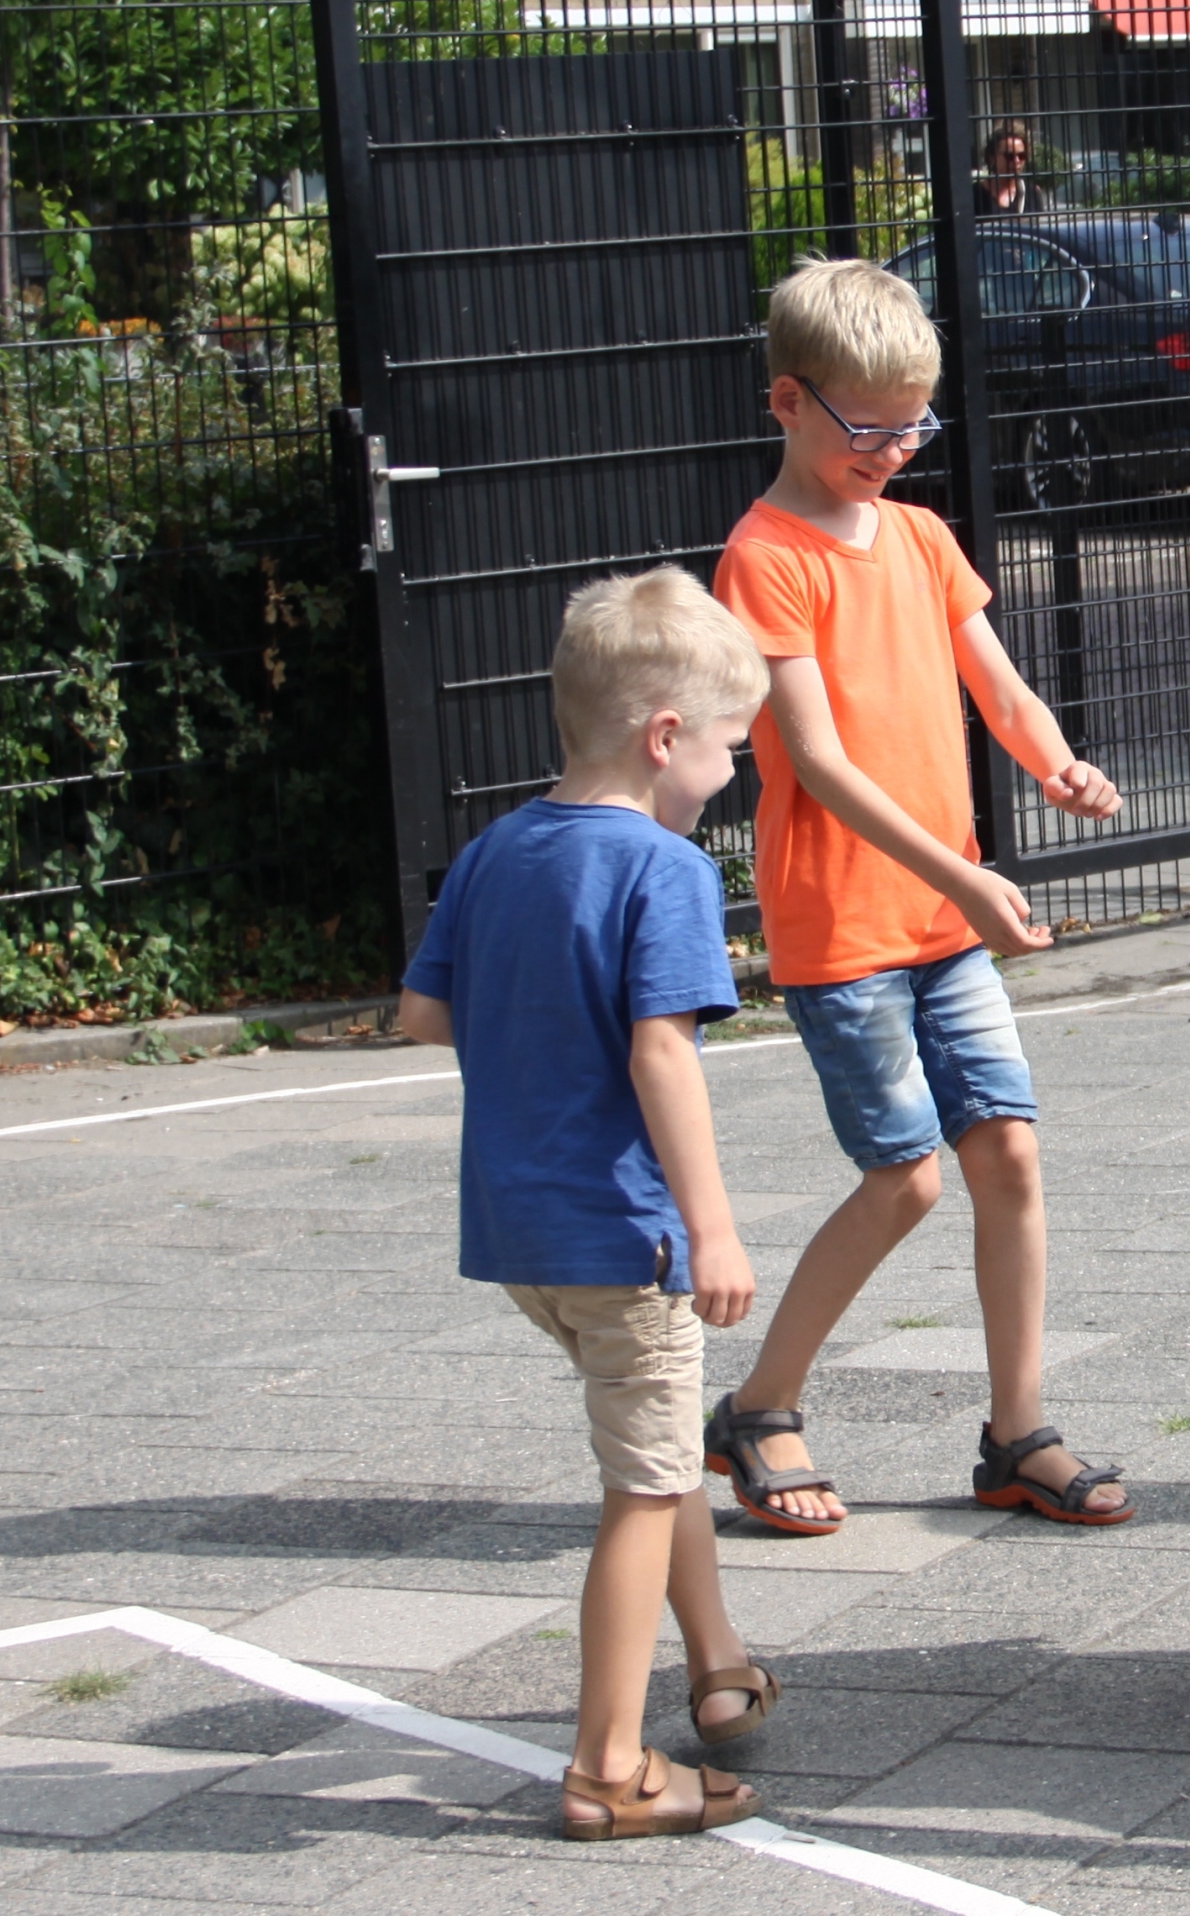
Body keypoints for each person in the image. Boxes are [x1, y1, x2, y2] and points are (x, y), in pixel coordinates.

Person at [710, 256, 1127, 1534]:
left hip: (944, 926)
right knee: (906, 1178)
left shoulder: (924, 537)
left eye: (915, 426)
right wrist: (971, 875)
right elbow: (821, 768)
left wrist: (1053, 760)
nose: (894, 451)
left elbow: (999, 687)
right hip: (844, 931)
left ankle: (1018, 1432)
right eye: (869, 428)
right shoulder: (766, 557)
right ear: (788, 402)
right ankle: (762, 1410)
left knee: (1006, 1151)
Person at [396, 568, 776, 1841]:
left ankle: (717, 1662)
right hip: (628, 1236)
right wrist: (712, 1226)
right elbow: (662, 1054)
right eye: (731, 747)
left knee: (658, 1458)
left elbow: (424, 1016)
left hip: (521, 1235)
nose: (733, 773)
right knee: (646, 1488)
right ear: (664, 737)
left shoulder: (496, 849)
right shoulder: (660, 868)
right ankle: (608, 1766)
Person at [972, 125, 1045, 217]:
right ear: (992, 157)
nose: (1017, 161)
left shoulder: (1032, 192)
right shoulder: (975, 194)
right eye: (1009, 156)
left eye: (1022, 156)